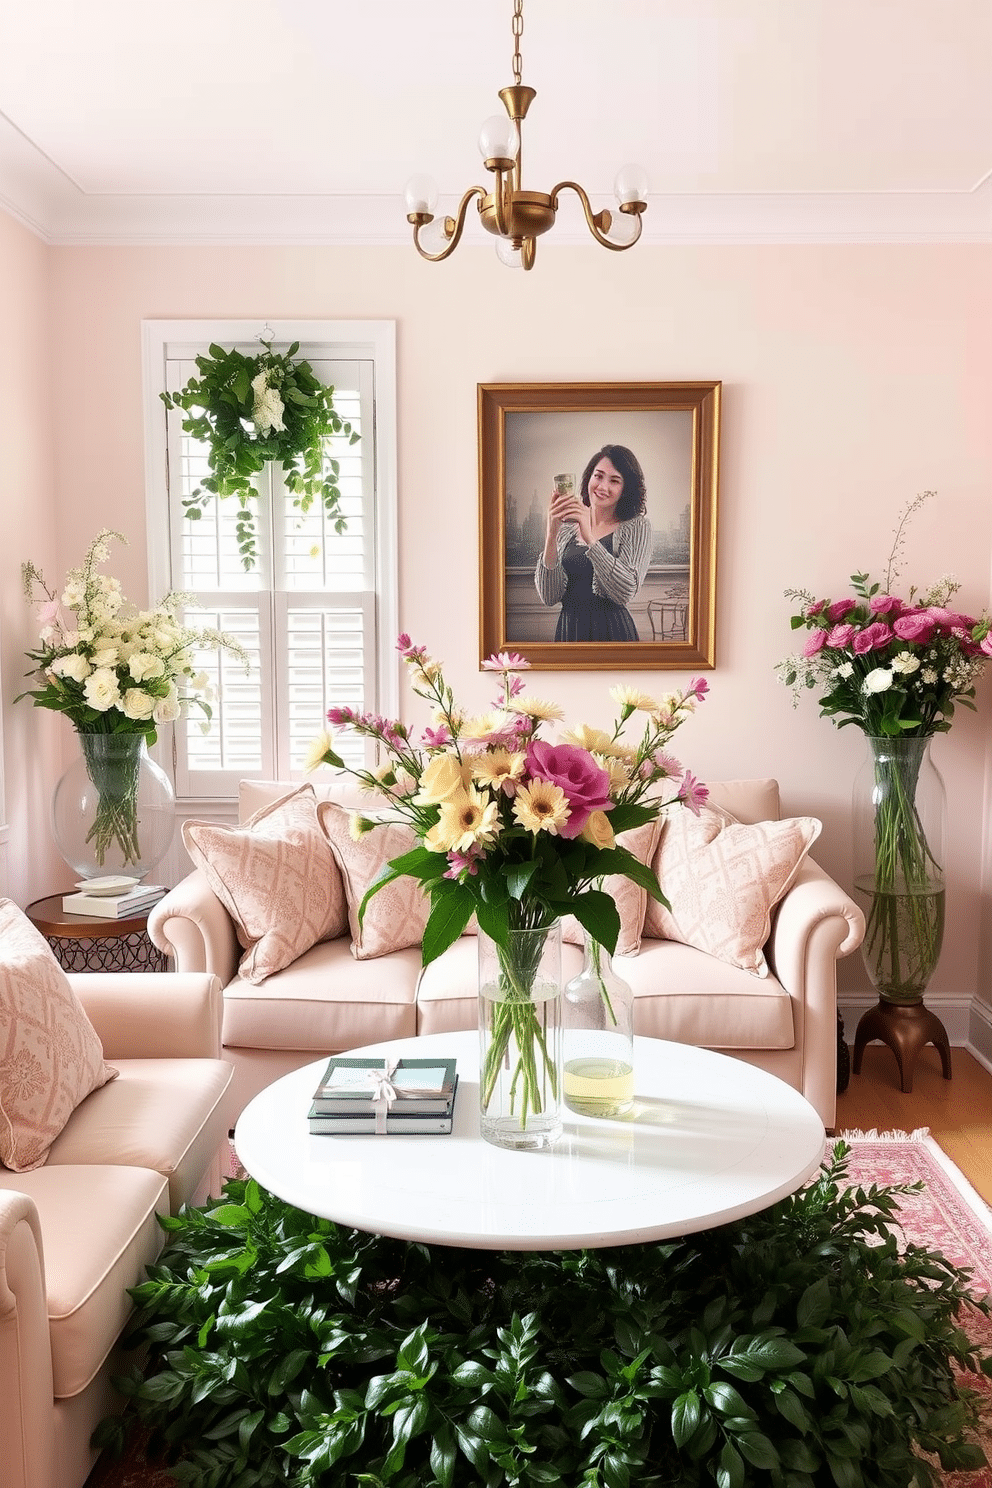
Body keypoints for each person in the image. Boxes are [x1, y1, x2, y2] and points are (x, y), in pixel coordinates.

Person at [535, 444, 652, 642]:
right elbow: (548, 596)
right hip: (568, 633)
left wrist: (590, 538)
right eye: (598, 476)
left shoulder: (637, 526)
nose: (602, 486)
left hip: (614, 634)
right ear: (588, 478)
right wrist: (551, 533)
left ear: (625, 490)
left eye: (614, 481)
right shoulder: (566, 528)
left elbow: (625, 591)